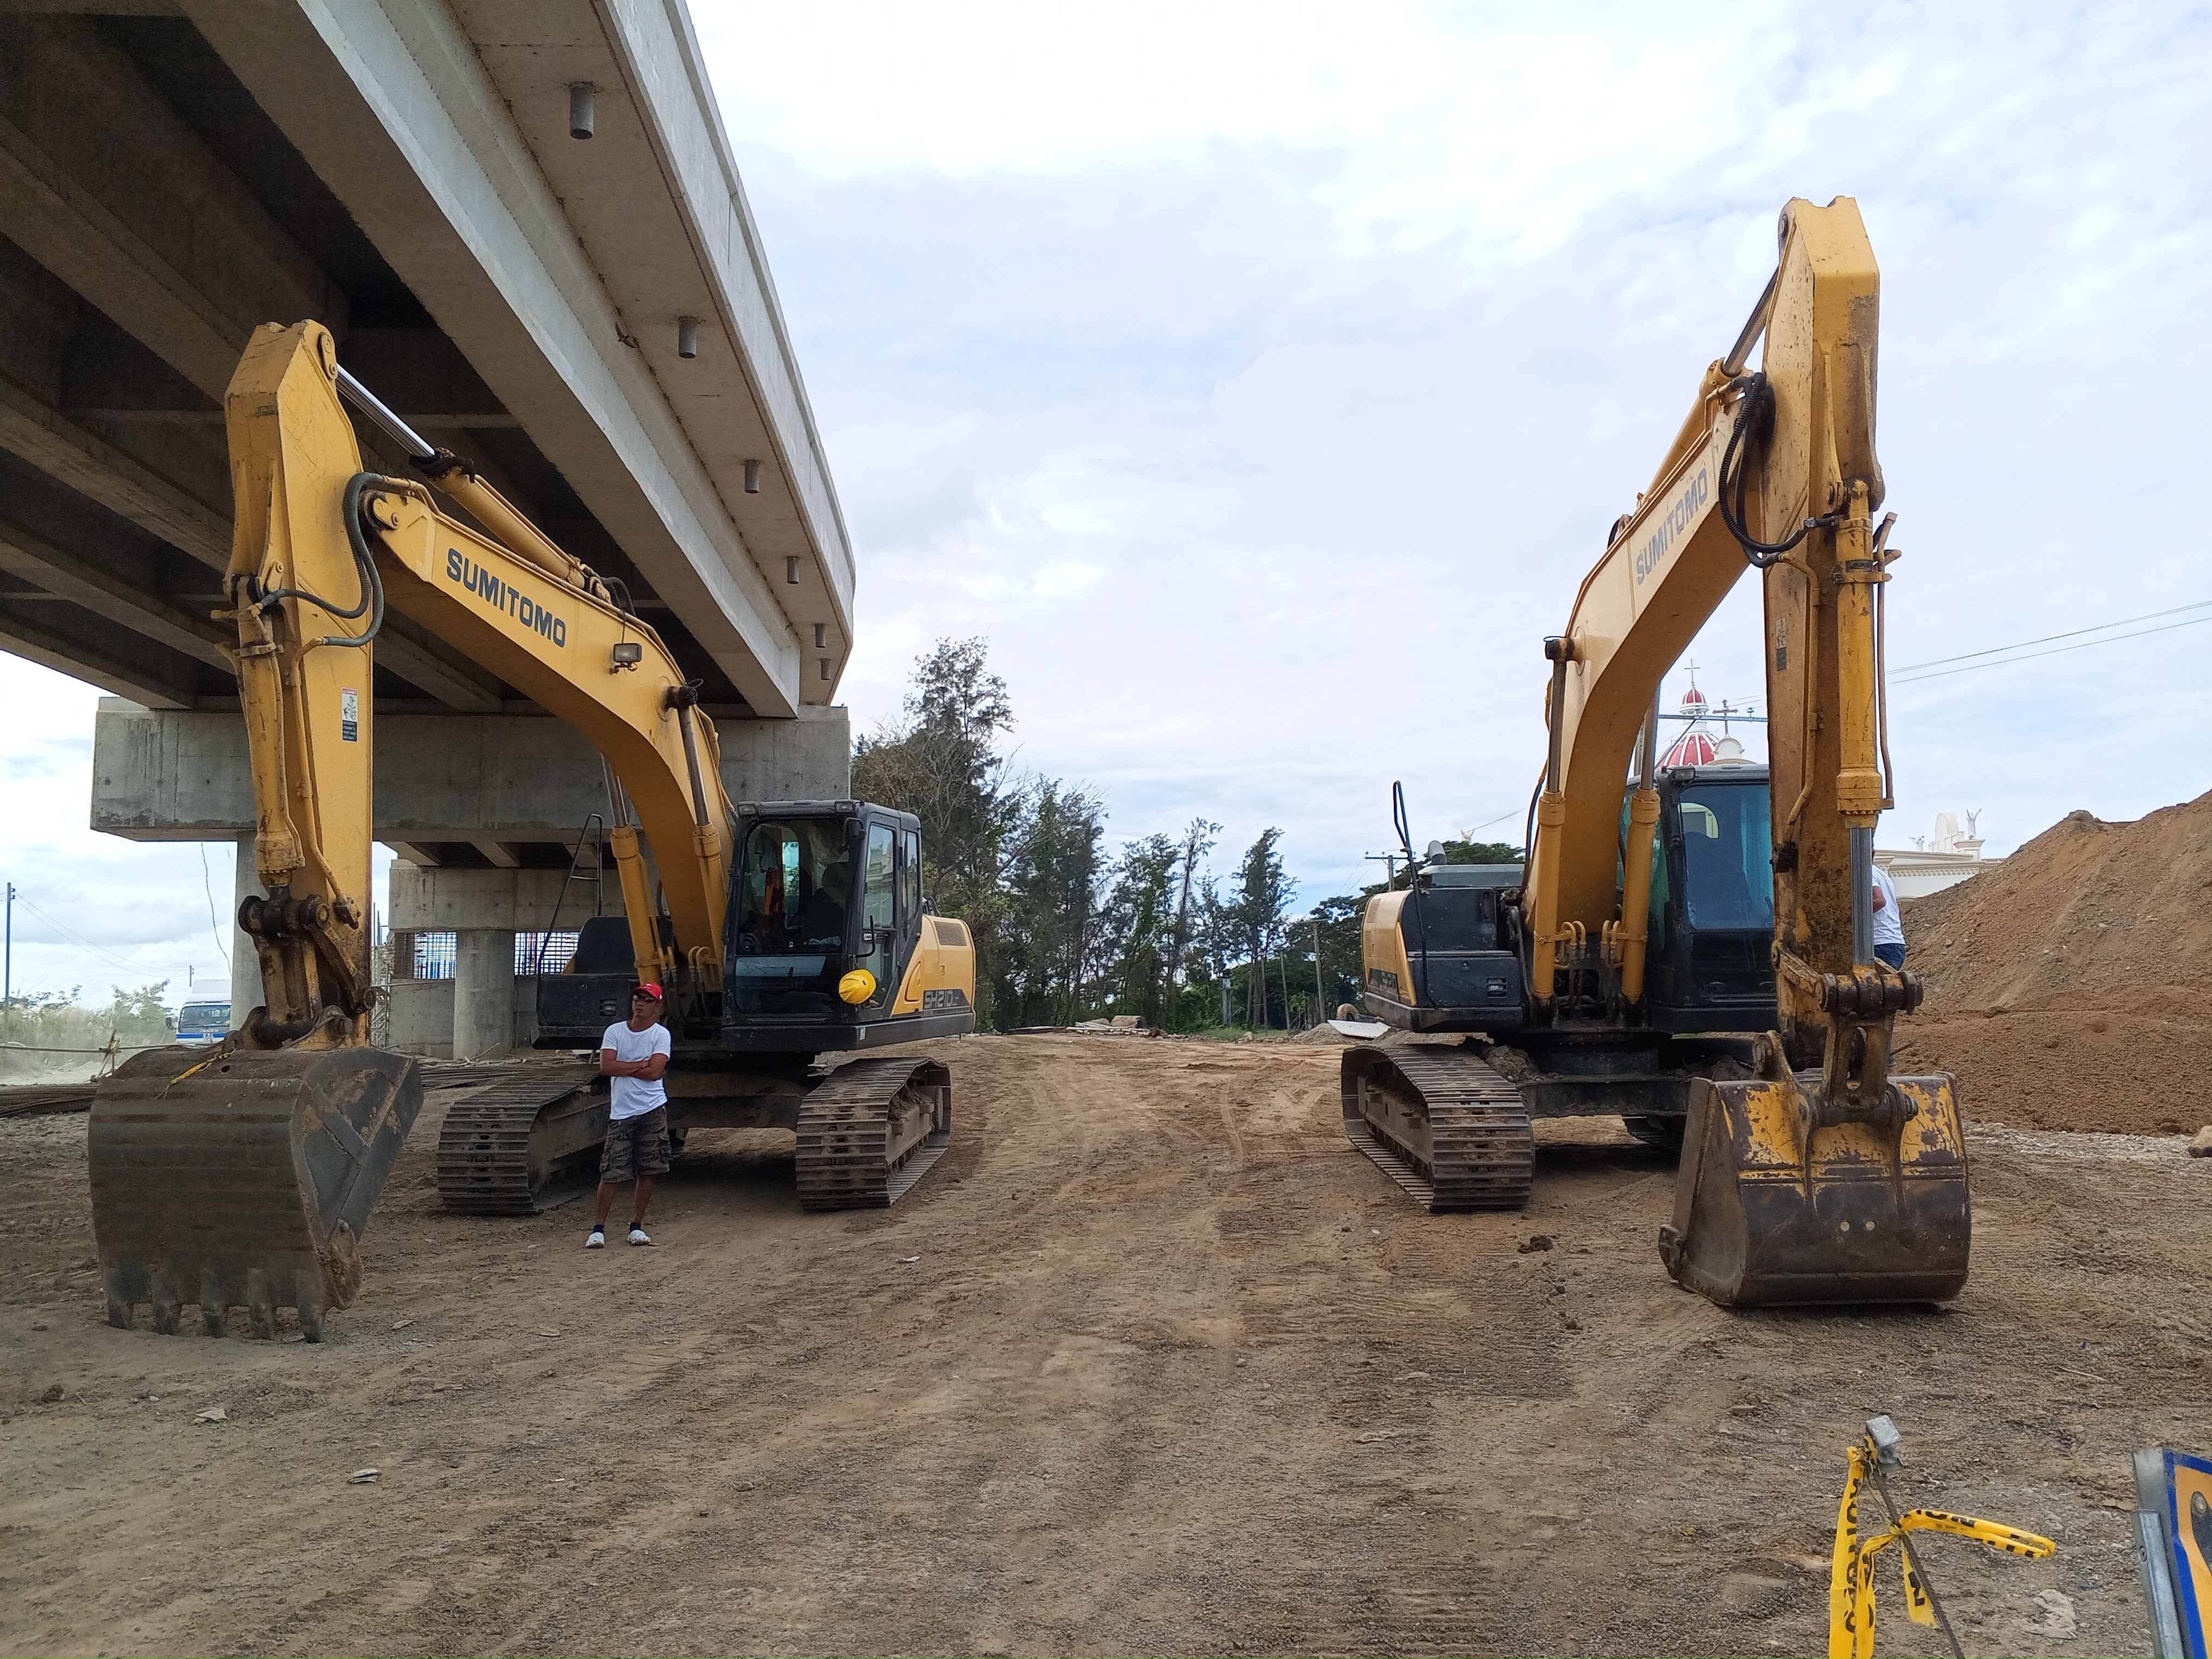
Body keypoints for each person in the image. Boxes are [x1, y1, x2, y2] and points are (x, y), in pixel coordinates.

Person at [587, 983, 672, 1248]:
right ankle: (598, 1229)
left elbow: (655, 1073)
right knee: (611, 1171)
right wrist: (641, 1065)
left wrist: (624, 1068)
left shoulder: (661, 1035)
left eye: (647, 1000)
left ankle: (636, 1226)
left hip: (652, 1109)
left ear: (657, 1006)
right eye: (637, 998)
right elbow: (606, 1066)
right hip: (622, 1112)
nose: (640, 1003)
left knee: (648, 1170)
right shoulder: (615, 1032)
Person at [1870, 861, 1906, 970]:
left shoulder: (1865, 872)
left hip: (1880, 945)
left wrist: (1851, 917)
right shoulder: (1881, 874)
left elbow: (1879, 901)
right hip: (1894, 944)